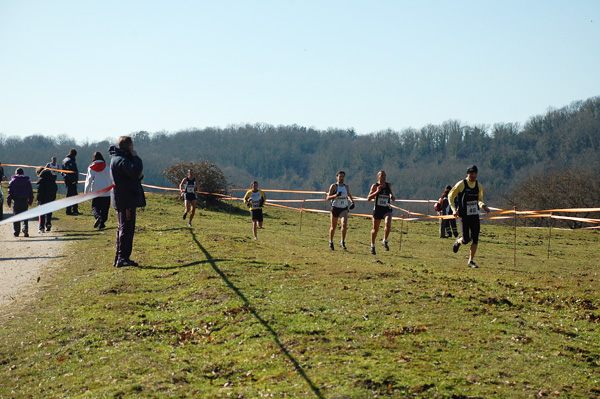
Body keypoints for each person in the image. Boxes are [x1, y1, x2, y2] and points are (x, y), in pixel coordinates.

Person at [110, 136, 146, 267]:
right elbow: (135, 171)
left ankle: (119, 256)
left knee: (122, 227)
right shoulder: (123, 160)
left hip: (121, 198)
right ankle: (123, 258)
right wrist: (135, 158)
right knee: (127, 229)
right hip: (126, 199)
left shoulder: (115, 158)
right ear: (130, 146)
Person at [448, 165, 491, 268]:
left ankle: (471, 261)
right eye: (471, 173)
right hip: (463, 216)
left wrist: (483, 206)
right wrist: (454, 210)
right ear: (468, 174)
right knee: (466, 239)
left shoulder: (478, 186)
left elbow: (479, 200)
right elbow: (450, 196)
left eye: (475, 173)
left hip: (474, 215)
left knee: (475, 238)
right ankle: (459, 241)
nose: (473, 175)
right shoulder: (461, 184)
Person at [367, 170, 396, 255]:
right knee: (375, 230)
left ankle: (385, 240)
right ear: (378, 177)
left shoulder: (388, 185)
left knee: (388, 223)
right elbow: (368, 198)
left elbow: (390, 193)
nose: (383, 177)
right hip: (378, 210)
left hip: (386, 209)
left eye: (385, 175)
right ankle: (372, 246)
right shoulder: (375, 186)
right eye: (382, 175)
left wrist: (392, 196)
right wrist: (377, 192)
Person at [326, 171, 355, 250]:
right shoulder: (334, 186)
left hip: (344, 208)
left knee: (344, 224)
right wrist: (335, 195)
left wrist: (352, 202)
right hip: (335, 208)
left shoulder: (346, 187)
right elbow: (328, 198)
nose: (341, 178)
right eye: (340, 176)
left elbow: (348, 195)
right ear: (337, 177)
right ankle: (331, 242)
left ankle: (342, 241)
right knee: (333, 227)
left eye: (343, 176)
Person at [84, 151, 112, 229]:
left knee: (95, 206)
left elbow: (88, 180)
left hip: (96, 191)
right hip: (106, 191)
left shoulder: (91, 168)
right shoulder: (107, 167)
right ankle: (102, 223)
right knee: (105, 209)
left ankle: (97, 216)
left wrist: (86, 192)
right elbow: (111, 179)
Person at [6, 168, 33, 237]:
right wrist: (30, 201)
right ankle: (25, 228)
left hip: (16, 201)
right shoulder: (27, 181)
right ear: (23, 173)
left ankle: (16, 232)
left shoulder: (12, 181)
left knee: (16, 216)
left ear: (16, 173)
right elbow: (30, 192)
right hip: (24, 200)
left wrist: (8, 202)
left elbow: (10, 193)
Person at [36, 166, 57, 233]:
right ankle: (48, 223)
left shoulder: (41, 180)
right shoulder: (52, 179)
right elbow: (55, 188)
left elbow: (39, 190)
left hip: (43, 198)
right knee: (49, 212)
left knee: (41, 213)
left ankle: (41, 227)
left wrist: (38, 199)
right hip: (51, 197)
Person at [62, 149, 80, 215]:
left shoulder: (65, 160)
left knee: (70, 195)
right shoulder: (70, 162)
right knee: (72, 195)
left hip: (67, 180)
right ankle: (71, 210)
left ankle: (72, 209)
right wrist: (73, 180)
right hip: (71, 181)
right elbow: (71, 172)